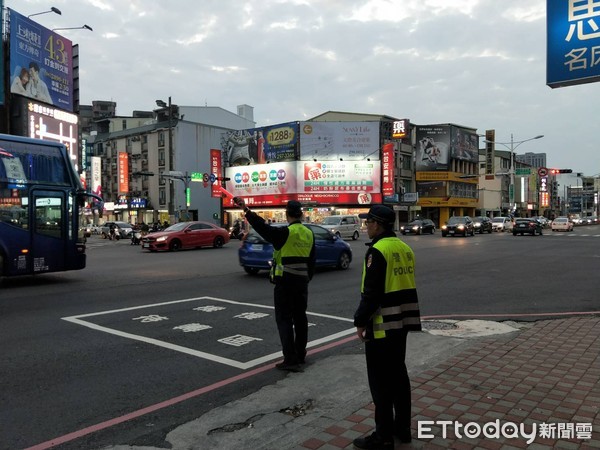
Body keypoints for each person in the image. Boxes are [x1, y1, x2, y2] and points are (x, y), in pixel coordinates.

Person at [352, 204, 422, 450]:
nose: (365, 226)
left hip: (381, 327)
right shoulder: (404, 248)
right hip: (401, 324)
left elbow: (371, 294)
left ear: (377, 223)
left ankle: (382, 435)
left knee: (380, 383)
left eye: (368, 222)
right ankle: (402, 429)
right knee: (399, 379)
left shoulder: (377, 251)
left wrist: (360, 321)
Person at [233, 198, 316, 372]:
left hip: (285, 283)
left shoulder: (285, 233)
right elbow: (312, 262)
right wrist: (306, 278)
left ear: (287, 214)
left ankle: (291, 359)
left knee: (284, 319)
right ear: (301, 214)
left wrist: (246, 209)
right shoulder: (309, 233)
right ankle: (300, 354)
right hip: (302, 283)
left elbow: (263, 228)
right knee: (300, 319)